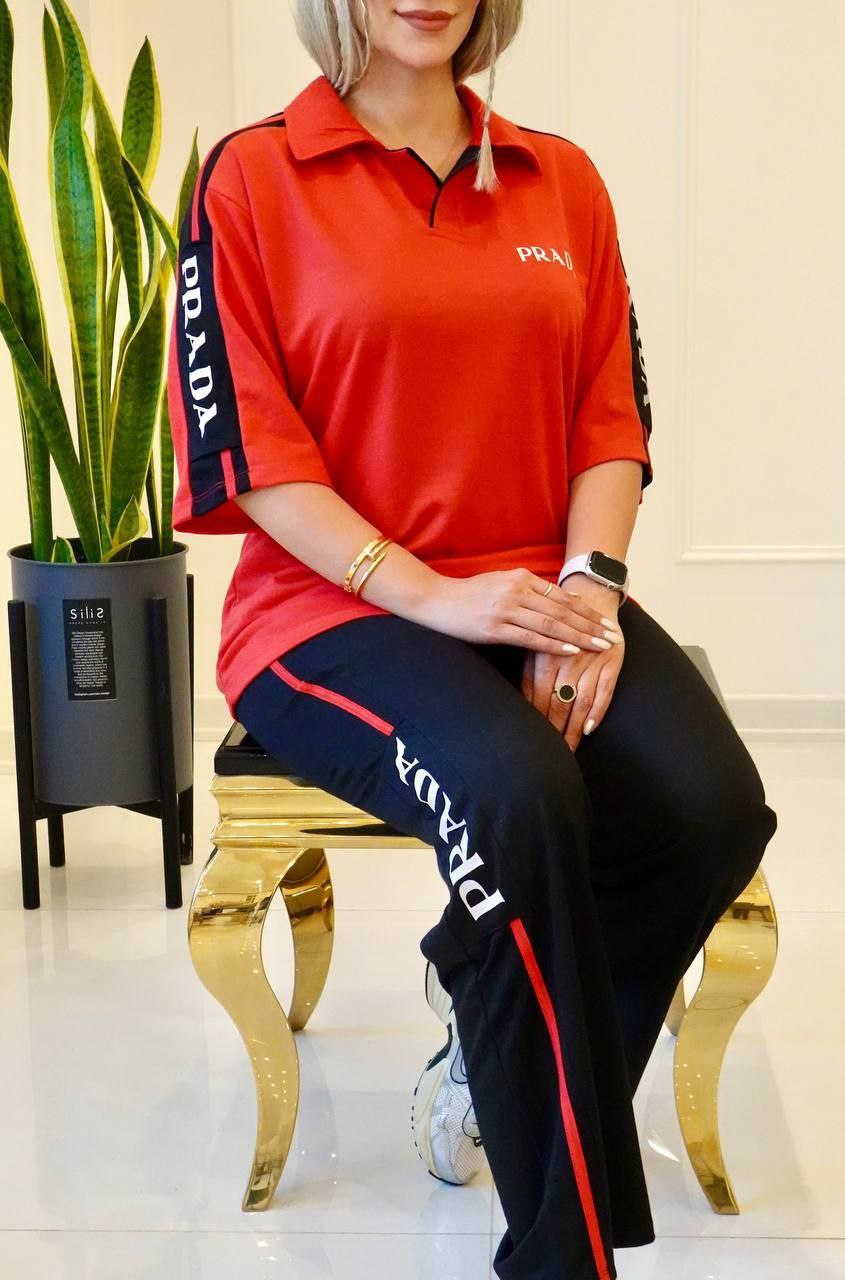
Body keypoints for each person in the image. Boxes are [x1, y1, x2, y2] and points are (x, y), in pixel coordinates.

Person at [167, 2, 779, 1277]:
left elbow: (611, 420)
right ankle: (558, 1253)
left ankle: (480, 983)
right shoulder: (252, 176)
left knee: (712, 808)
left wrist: (588, 594)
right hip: (329, 612)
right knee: (517, 796)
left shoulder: (563, 180)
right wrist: (437, 595)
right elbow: (251, 454)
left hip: (536, 589)